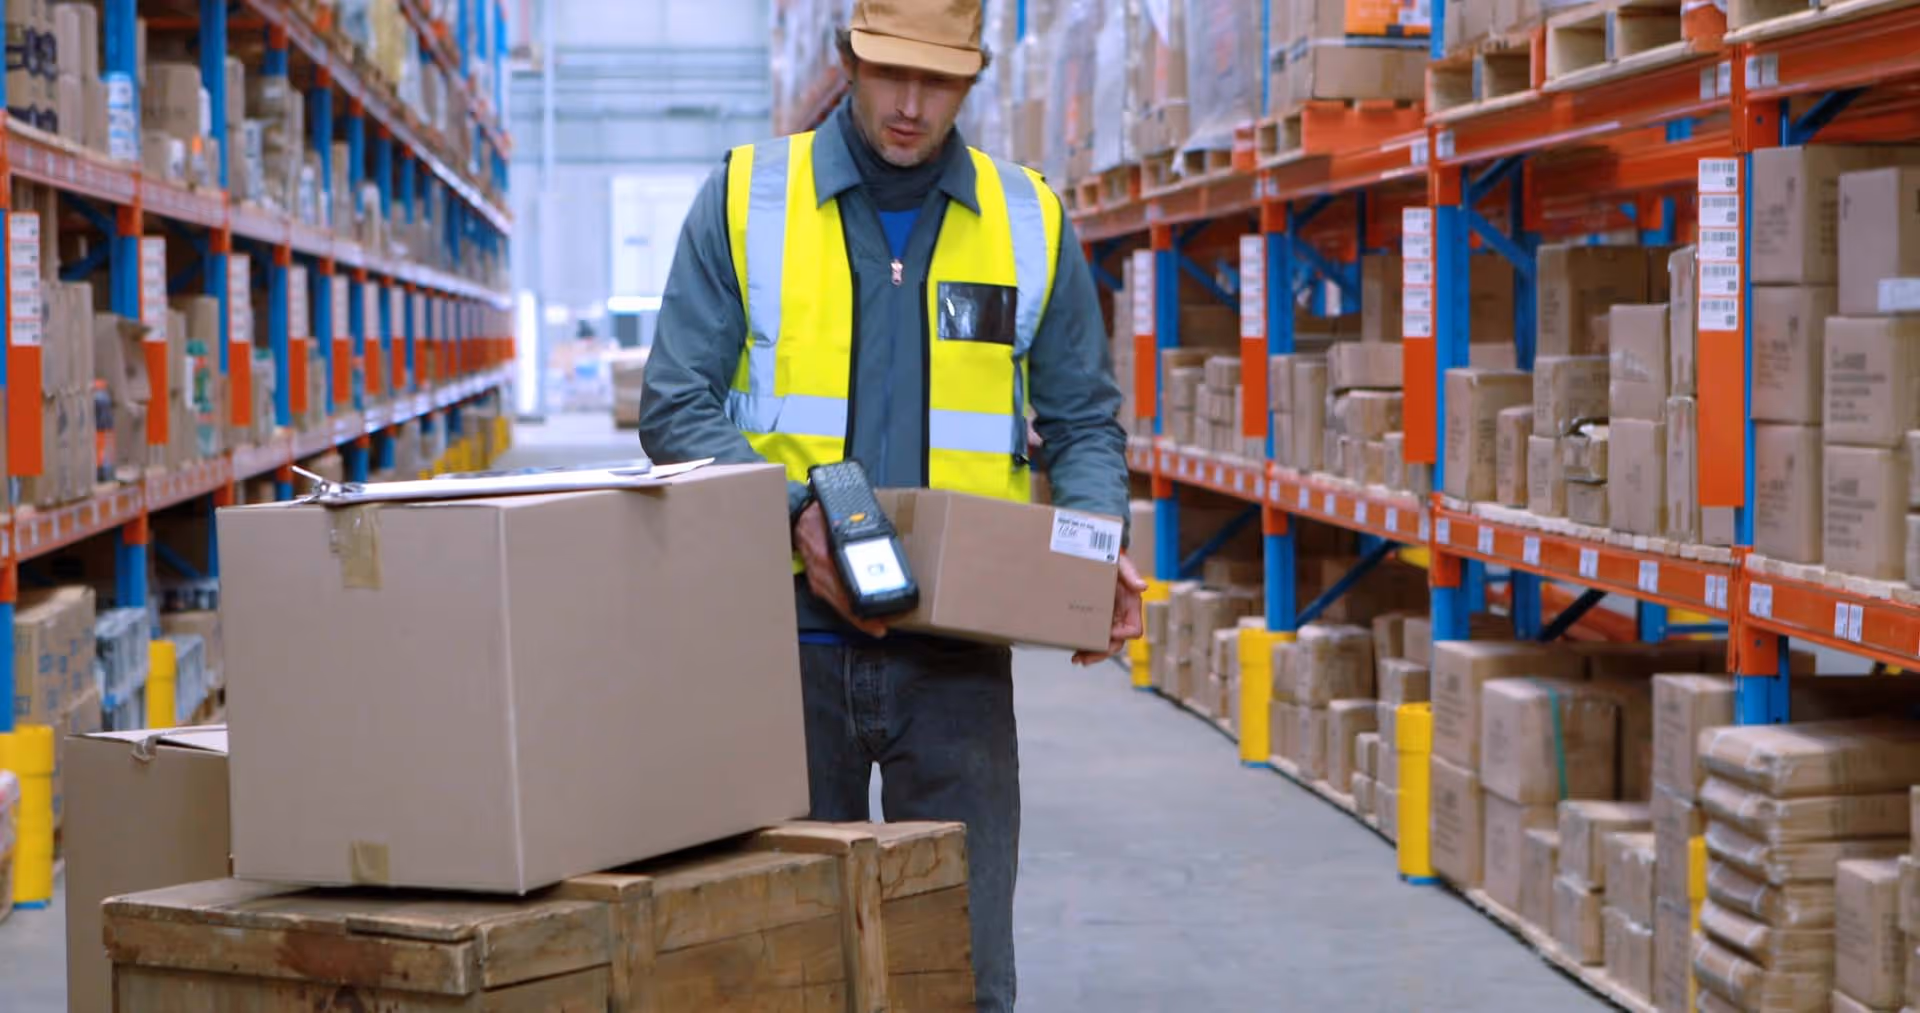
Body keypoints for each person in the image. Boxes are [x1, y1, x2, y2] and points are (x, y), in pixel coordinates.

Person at [637, 0, 1142, 1004]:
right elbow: (675, 403)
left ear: (975, 76)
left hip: (954, 658)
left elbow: (1083, 420)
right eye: (889, 73)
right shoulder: (747, 199)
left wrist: (1089, 550)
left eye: (941, 80)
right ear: (847, 59)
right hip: (786, 647)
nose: (912, 105)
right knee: (786, 967)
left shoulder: (1029, 220)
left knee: (958, 972)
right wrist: (794, 511)